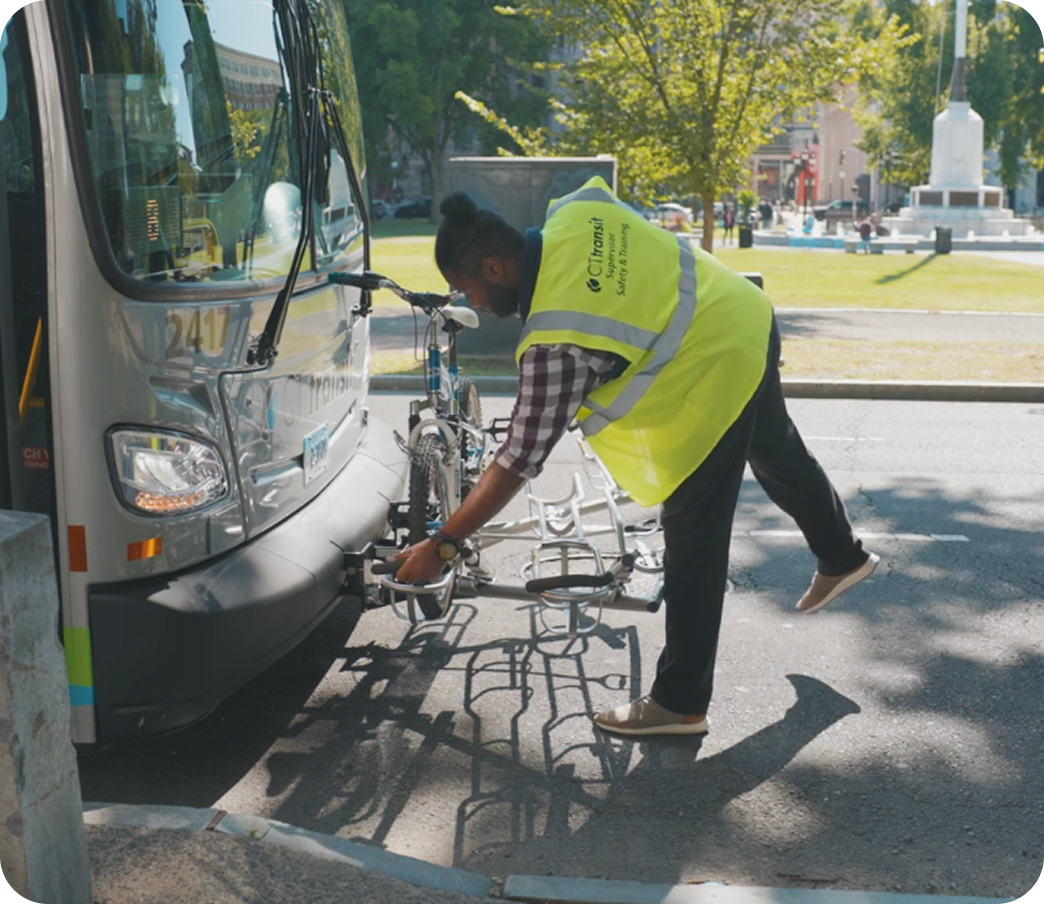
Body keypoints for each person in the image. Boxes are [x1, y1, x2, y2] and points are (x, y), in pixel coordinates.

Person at [390, 177, 879, 737]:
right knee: (775, 448)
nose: (467, 301)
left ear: (494, 268)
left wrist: (445, 544)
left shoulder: (557, 337)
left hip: (716, 356)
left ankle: (680, 703)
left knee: (694, 526)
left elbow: (517, 460)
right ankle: (841, 554)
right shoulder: (576, 210)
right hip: (744, 313)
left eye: (465, 288)